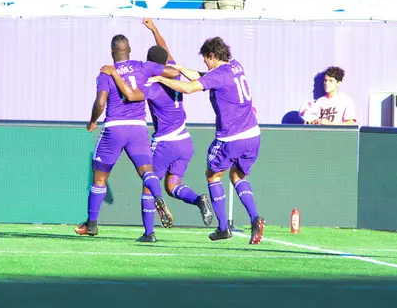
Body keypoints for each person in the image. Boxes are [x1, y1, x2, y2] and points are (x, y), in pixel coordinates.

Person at [100, 18, 214, 243]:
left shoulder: (151, 85)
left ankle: (149, 233)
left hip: (165, 142)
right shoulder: (176, 74)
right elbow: (165, 50)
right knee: (173, 186)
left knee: (148, 187)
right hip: (185, 141)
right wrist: (154, 29)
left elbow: (132, 96)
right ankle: (199, 200)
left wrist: (114, 74)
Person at [147, 36, 265, 244]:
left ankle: (222, 228)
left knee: (212, 175)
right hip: (253, 134)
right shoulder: (235, 66)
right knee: (237, 177)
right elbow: (202, 76)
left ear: (212, 56)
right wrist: (181, 68)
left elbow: (190, 88)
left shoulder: (218, 75)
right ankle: (255, 217)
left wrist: (160, 79)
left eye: (205, 59)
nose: (205, 63)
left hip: (232, 137)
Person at [75, 34, 179, 237]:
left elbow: (101, 101)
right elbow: (174, 73)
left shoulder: (106, 72)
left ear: (112, 52)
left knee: (99, 178)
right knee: (147, 171)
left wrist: (93, 120)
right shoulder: (143, 66)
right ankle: (158, 198)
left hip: (115, 127)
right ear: (129, 49)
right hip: (138, 128)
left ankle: (92, 224)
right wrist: (155, 76)